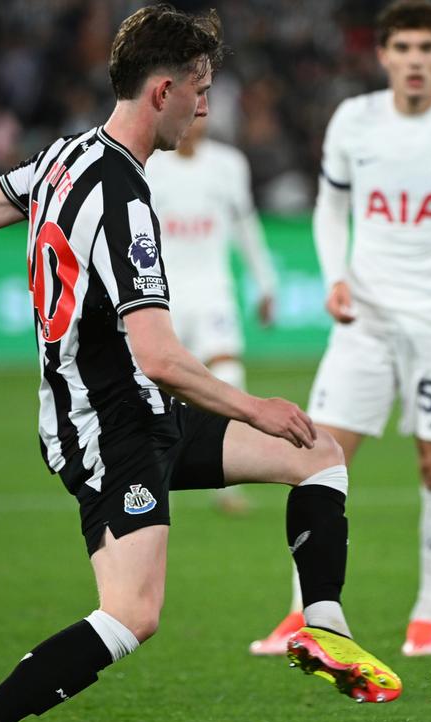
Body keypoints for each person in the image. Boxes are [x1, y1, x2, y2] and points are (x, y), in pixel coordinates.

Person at [0, 7, 402, 722]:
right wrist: (256, 405)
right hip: (103, 425)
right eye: (200, 88)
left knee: (318, 453)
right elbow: (157, 354)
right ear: (162, 91)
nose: (207, 105)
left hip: (144, 411)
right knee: (132, 614)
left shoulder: (64, 157)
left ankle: (323, 624)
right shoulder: (124, 201)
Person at [250, 0, 431, 658]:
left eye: (426, 49)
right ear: (382, 54)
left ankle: (428, 615)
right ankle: (300, 614)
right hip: (365, 322)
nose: (414, 60)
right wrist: (334, 276)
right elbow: (330, 206)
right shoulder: (355, 120)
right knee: (314, 459)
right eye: (402, 48)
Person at [145, 115, 278, 514]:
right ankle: (150, 474)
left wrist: (265, 283)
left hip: (213, 291)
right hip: (162, 294)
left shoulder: (229, 164)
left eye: (200, 115)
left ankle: (225, 486)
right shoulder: (149, 165)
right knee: (157, 386)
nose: (192, 123)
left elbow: (246, 227)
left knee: (228, 375)